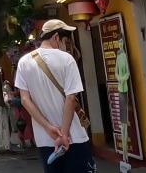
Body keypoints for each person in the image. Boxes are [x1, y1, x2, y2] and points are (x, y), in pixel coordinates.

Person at [15, 19, 96, 172]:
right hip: (74, 138)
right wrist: (64, 134)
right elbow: (71, 98)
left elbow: (25, 100)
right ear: (56, 37)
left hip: (46, 140)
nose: (65, 45)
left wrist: (48, 127)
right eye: (65, 40)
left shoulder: (24, 62)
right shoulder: (66, 59)